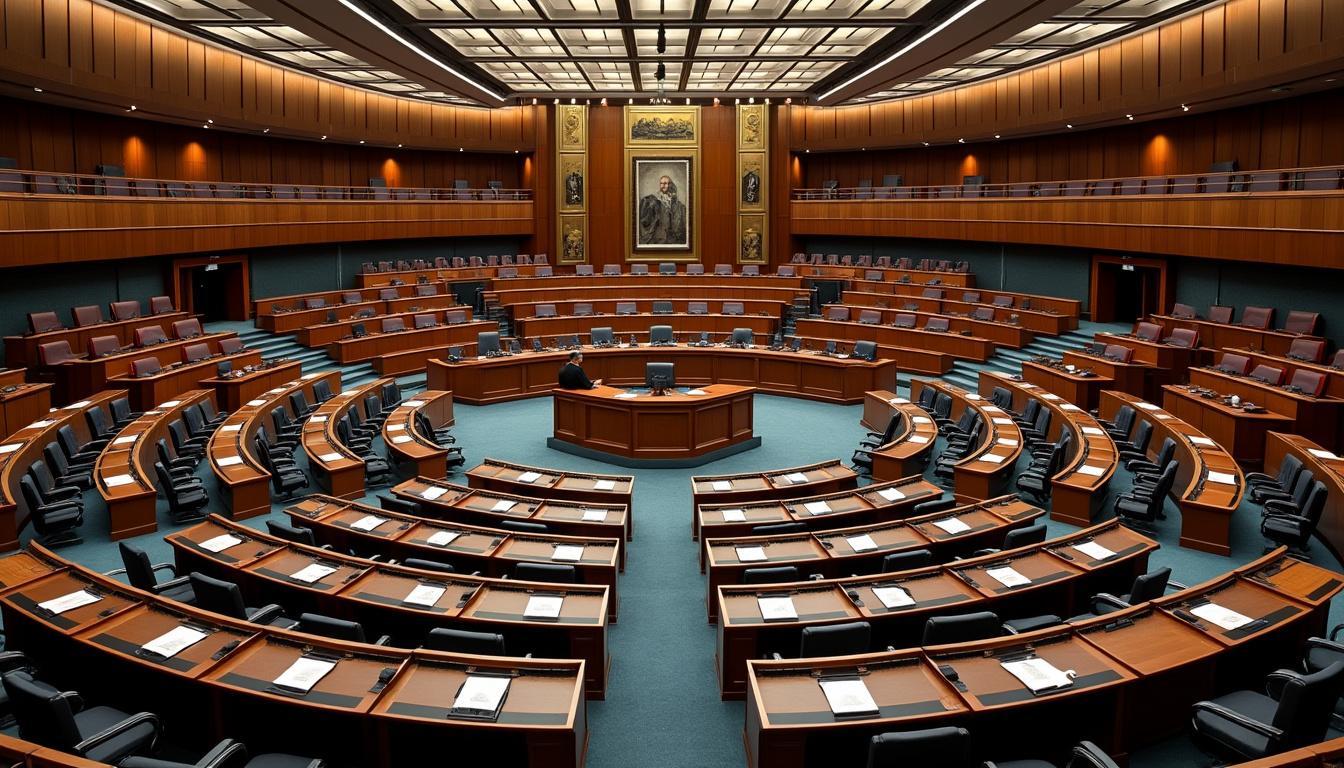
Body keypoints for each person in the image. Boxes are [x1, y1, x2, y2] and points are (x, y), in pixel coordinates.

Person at [638, 175, 688, 245]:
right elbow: (646, 220)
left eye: (665, 183)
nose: (663, 186)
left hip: (672, 237)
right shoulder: (655, 200)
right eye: (661, 183)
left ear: (670, 185)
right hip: (659, 237)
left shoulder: (677, 203)